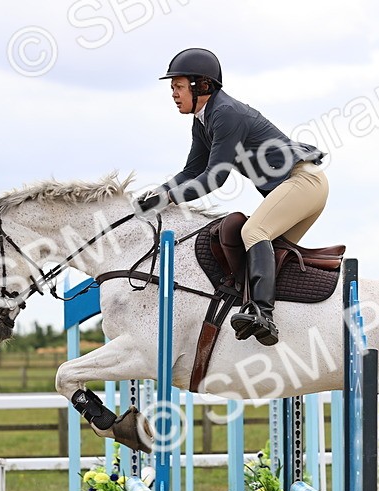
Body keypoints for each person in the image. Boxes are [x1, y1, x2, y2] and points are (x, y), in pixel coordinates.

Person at [137, 47, 328, 347]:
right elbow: (192, 170)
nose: (173, 93)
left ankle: (262, 313)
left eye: (177, 86)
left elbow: (215, 177)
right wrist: (160, 192)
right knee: (269, 252)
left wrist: (170, 198)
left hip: (303, 182)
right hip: (298, 186)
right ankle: (287, 324)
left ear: (202, 86)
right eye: (172, 88)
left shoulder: (225, 114)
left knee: (253, 231)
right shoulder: (204, 120)